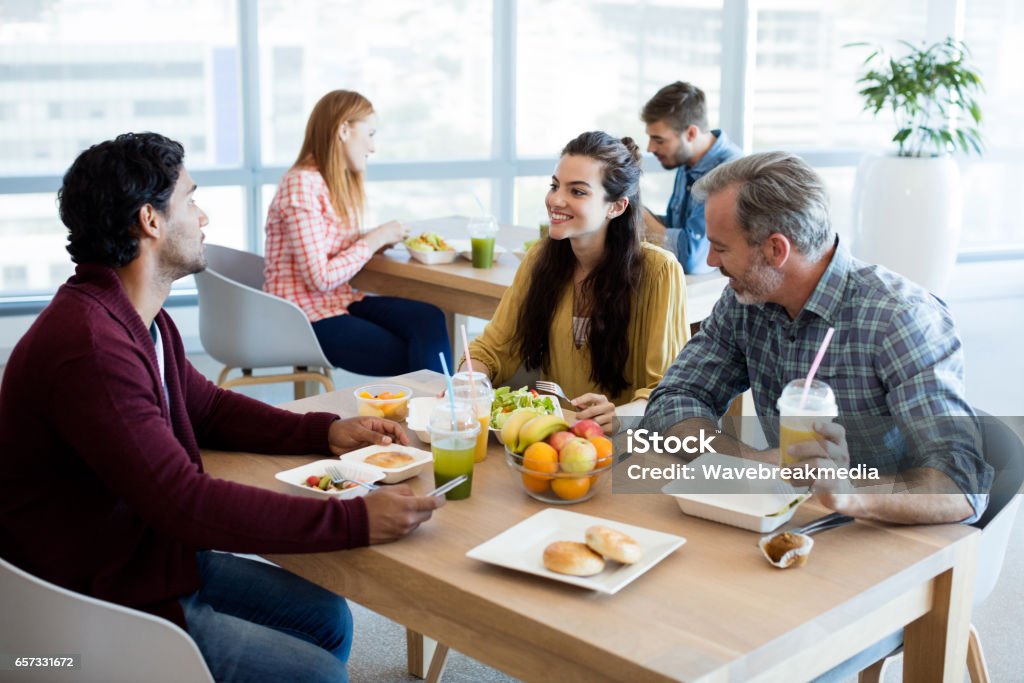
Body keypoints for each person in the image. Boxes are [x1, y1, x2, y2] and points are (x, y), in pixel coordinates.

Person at [0, 132, 445, 683]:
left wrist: (327, 433)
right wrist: (352, 519)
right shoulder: (91, 347)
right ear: (151, 220)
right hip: (92, 597)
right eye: (190, 199)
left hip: (141, 555)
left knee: (328, 619)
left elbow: (207, 408)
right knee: (316, 675)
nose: (203, 215)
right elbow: (182, 502)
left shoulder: (139, 319)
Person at [641, 151, 990, 528]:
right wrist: (747, 460)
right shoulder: (746, 299)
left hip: (881, 531)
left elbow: (960, 487)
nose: (709, 261)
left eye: (721, 247)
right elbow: (674, 399)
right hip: (786, 520)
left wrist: (850, 493)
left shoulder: (901, 318)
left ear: (776, 250)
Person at [462, 131, 689, 434]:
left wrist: (622, 415)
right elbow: (491, 350)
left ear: (616, 206)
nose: (556, 200)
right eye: (555, 186)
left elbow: (668, 393)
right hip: (555, 438)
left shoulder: (660, 271)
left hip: (627, 450)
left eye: (578, 192)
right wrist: (467, 382)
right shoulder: (540, 258)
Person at [264, 89, 451, 375]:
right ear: (343, 129)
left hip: (338, 302)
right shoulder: (301, 184)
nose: (372, 148)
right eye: (371, 134)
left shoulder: (326, 183)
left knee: (429, 319)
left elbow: (326, 244)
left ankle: (439, 413)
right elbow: (320, 278)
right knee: (416, 354)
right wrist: (372, 239)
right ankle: (439, 414)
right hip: (304, 318)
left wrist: (376, 239)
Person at [641, 81, 743, 274]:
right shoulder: (687, 160)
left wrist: (640, 214)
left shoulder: (728, 173)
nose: (650, 148)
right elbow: (677, 228)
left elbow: (694, 259)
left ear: (691, 133)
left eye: (659, 140)